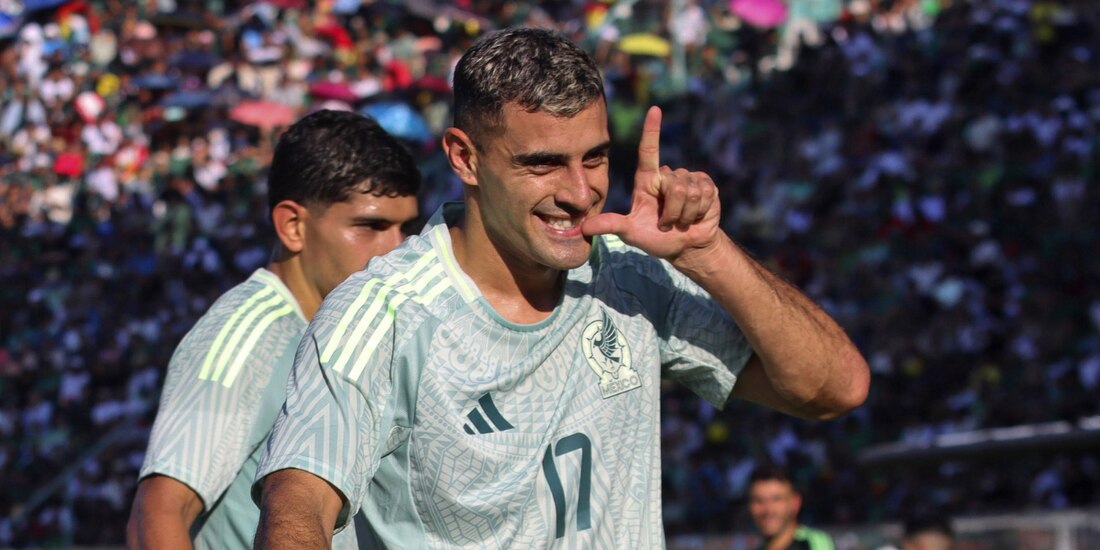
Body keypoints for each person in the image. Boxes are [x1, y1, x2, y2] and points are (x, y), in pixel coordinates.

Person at [252, 27, 869, 549]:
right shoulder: (384, 313)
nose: (579, 192)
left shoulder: (627, 275)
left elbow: (834, 388)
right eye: (543, 164)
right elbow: (298, 498)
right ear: (465, 158)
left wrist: (709, 253)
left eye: (595, 158)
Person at [126, 109, 421, 549]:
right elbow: (157, 513)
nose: (397, 249)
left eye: (406, 228)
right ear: (293, 225)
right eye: (371, 226)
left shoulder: (350, 330)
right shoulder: (250, 334)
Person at [747, 464, 834, 550]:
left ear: (796, 502)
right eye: (759, 500)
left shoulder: (813, 544)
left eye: (776, 499)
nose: (768, 510)